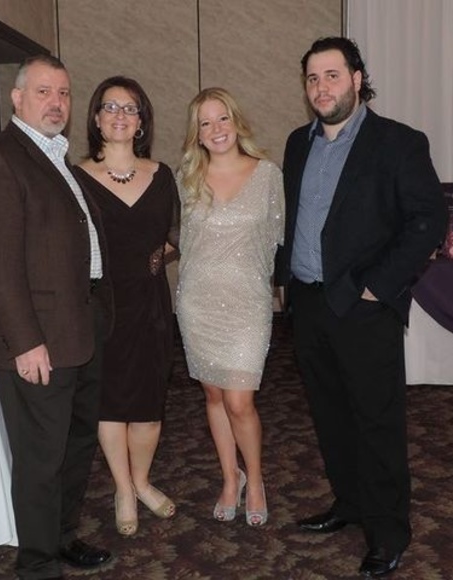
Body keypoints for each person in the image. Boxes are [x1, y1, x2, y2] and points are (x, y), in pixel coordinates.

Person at [275, 37, 447, 577]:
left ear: (356, 78)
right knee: (330, 415)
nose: (321, 87)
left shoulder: (398, 142)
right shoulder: (297, 143)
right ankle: (349, 502)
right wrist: (284, 280)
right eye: (312, 78)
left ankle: (389, 529)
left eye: (331, 75)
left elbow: (427, 221)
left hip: (364, 307)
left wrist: (377, 287)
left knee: (377, 421)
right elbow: (294, 218)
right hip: (308, 303)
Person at [0, 55, 113, 579]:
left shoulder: (57, 158)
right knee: (41, 459)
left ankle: (62, 537)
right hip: (38, 340)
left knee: (76, 446)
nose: (57, 103)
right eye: (44, 91)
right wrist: (26, 341)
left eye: (64, 93)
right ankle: (38, 564)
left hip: (80, 329)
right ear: (17, 97)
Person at [74, 76, 180, 537]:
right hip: (102, 305)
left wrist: (156, 258)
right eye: (110, 107)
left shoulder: (162, 175)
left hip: (151, 304)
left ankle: (142, 481)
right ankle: (123, 488)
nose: (120, 115)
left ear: (141, 122)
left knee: (149, 404)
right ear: (97, 119)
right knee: (111, 402)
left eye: (130, 108)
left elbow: (175, 235)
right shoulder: (75, 177)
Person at [176, 87, 284, 527]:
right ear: (197, 134)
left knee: (240, 401)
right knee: (214, 395)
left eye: (222, 118)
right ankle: (229, 477)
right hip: (197, 302)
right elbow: (178, 238)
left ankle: (254, 479)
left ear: (236, 122)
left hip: (247, 304)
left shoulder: (267, 174)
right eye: (205, 123)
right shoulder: (187, 177)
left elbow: (276, 239)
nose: (216, 129)